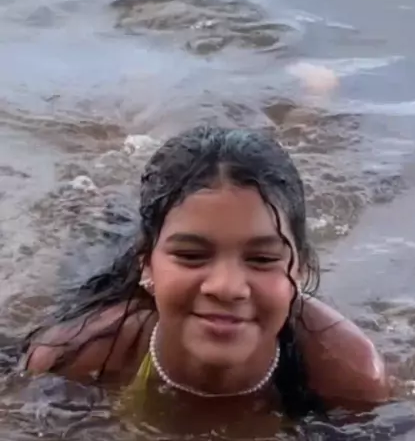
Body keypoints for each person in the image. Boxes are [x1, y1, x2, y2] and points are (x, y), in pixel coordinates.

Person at [23, 126, 389, 421]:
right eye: (191, 256)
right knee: (94, 223)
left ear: (301, 268)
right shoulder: (74, 357)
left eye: (262, 259)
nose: (226, 287)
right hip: (98, 264)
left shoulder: (350, 374)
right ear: (146, 264)